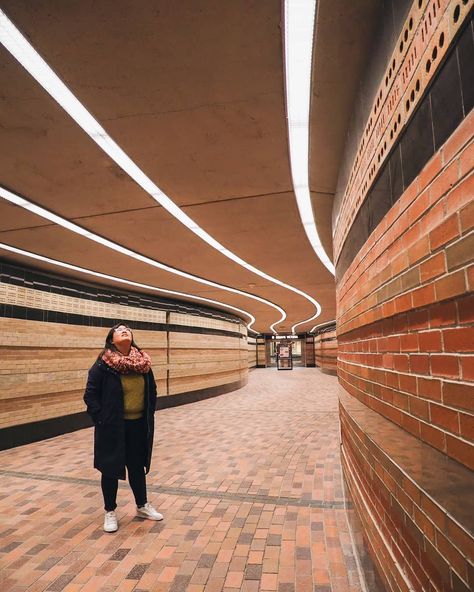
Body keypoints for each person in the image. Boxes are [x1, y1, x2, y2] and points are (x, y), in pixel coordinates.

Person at [83, 322, 163, 532]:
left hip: (138, 424)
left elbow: (152, 390)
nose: (124, 330)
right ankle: (110, 511)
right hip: (112, 426)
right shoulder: (103, 364)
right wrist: (101, 419)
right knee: (110, 468)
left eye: (127, 328)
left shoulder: (143, 363)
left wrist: (150, 410)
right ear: (111, 340)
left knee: (136, 465)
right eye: (119, 330)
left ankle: (142, 505)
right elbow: (90, 395)